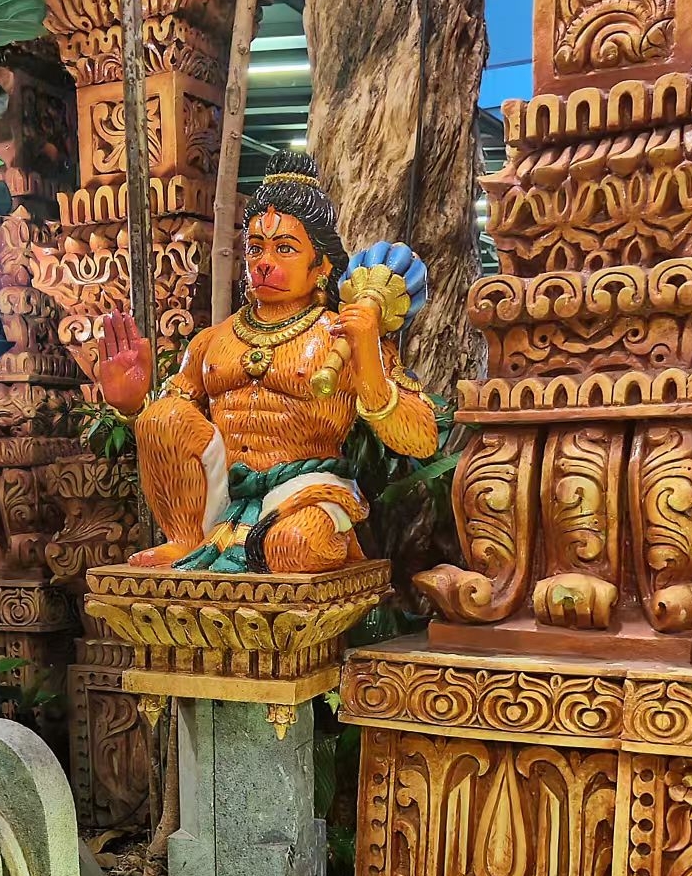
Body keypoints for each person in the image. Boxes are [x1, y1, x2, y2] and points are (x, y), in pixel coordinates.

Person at [96, 150, 438, 575]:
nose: (264, 263)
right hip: (220, 496)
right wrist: (132, 406)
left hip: (305, 494)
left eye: (285, 248)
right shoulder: (211, 341)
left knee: (293, 548)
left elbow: (422, 440)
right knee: (162, 415)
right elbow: (169, 431)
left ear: (321, 266)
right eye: (255, 248)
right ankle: (185, 540)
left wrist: (369, 359)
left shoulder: (344, 337)